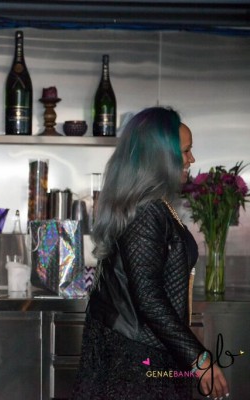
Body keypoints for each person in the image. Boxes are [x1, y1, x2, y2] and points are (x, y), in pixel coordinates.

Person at [72, 107, 229, 400]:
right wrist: (199, 359)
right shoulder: (147, 210)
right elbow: (149, 298)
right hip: (135, 358)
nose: (191, 159)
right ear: (160, 157)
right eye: (185, 151)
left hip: (146, 348)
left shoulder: (154, 205)